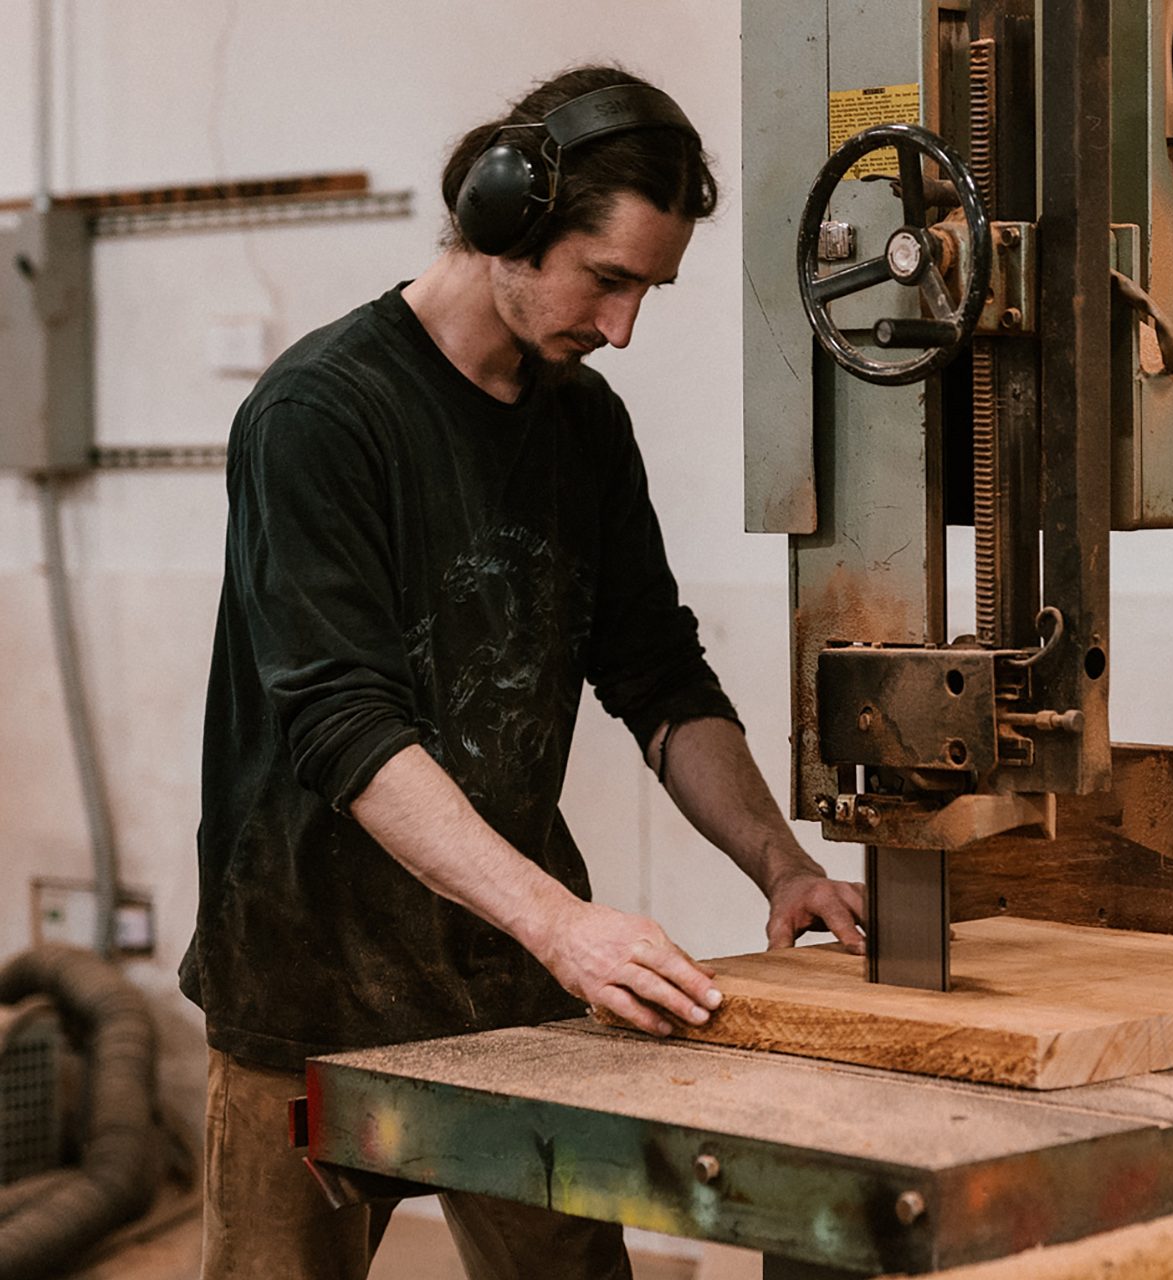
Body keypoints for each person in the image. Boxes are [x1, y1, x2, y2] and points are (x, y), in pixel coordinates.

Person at [179, 65, 865, 1279]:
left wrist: (784, 864)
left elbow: (660, 677)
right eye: (607, 280)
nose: (622, 330)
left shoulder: (582, 426)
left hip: (514, 1000)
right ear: (504, 220)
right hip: (309, 994)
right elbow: (342, 725)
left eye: (648, 291)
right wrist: (567, 926)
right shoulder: (319, 414)